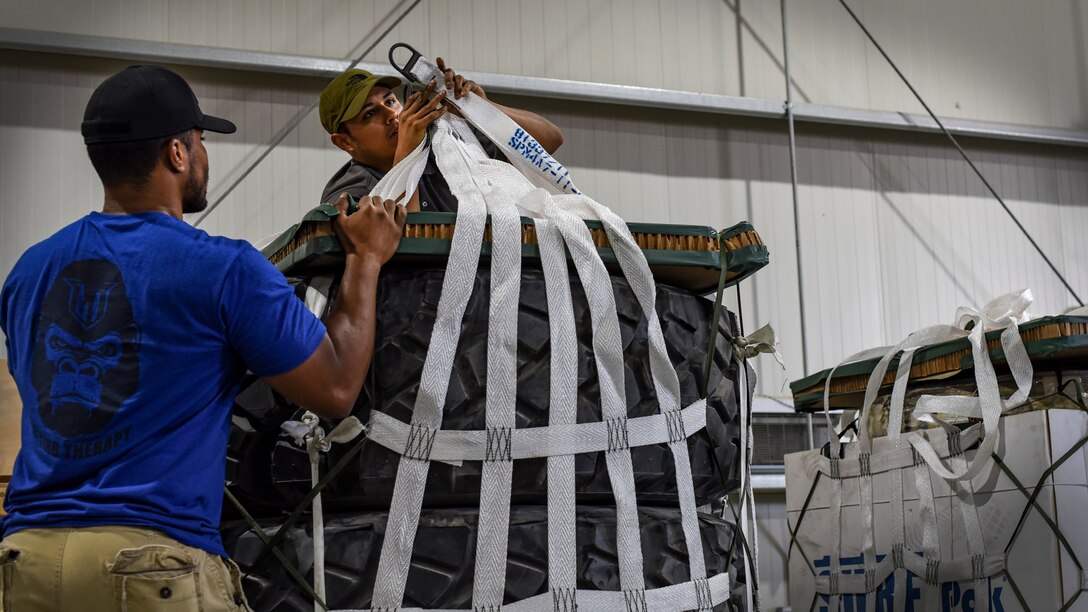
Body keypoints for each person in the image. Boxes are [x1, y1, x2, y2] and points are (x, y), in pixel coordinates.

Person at [0, 65, 405, 610]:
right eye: (201, 141)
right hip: (149, 565)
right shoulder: (221, 268)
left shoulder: (29, 272)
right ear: (177, 153)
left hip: (24, 561)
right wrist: (366, 259)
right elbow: (335, 390)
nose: (204, 155)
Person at [319, 57, 564, 211]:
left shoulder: (447, 150)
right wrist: (407, 152)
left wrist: (482, 110)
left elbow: (550, 140)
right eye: (370, 114)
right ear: (345, 142)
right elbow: (403, 248)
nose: (392, 115)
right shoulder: (350, 193)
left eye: (390, 101)